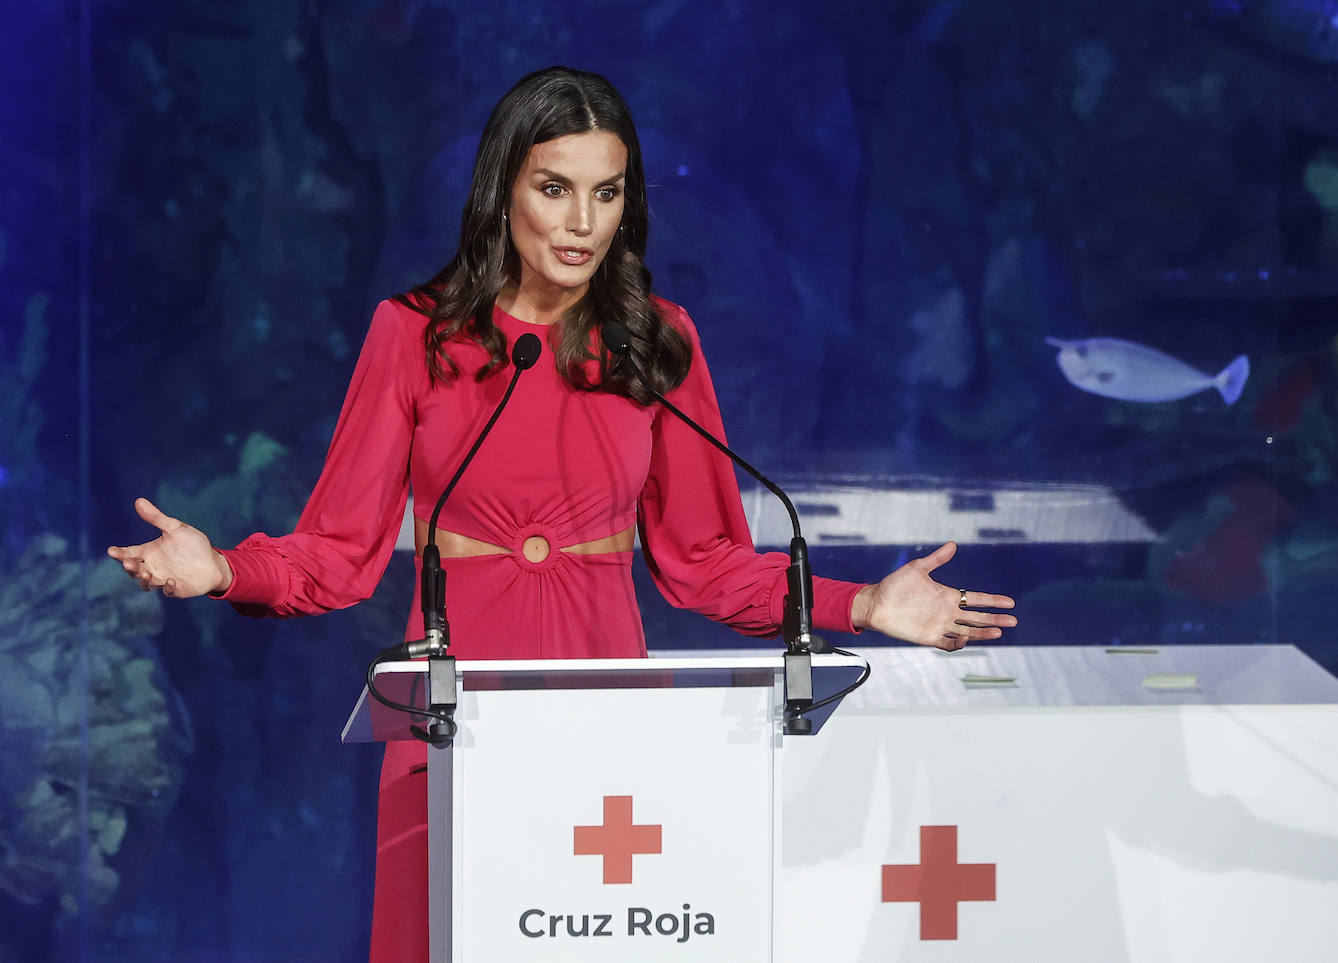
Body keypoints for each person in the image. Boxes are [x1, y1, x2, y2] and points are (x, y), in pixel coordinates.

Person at [108, 66, 1016, 963]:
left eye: (606, 192)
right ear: (502, 190)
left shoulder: (659, 341)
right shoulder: (415, 334)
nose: (583, 222)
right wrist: (225, 568)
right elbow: (339, 552)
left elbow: (704, 561)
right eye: (555, 188)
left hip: (609, 730)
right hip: (451, 728)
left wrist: (862, 605)